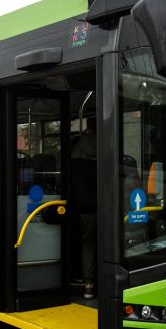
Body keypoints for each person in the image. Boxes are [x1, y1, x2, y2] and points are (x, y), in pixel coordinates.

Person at [70, 116, 98, 299]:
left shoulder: (73, 150)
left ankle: (86, 282)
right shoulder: (104, 146)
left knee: (84, 243)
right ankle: (95, 282)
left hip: (77, 207)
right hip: (103, 206)